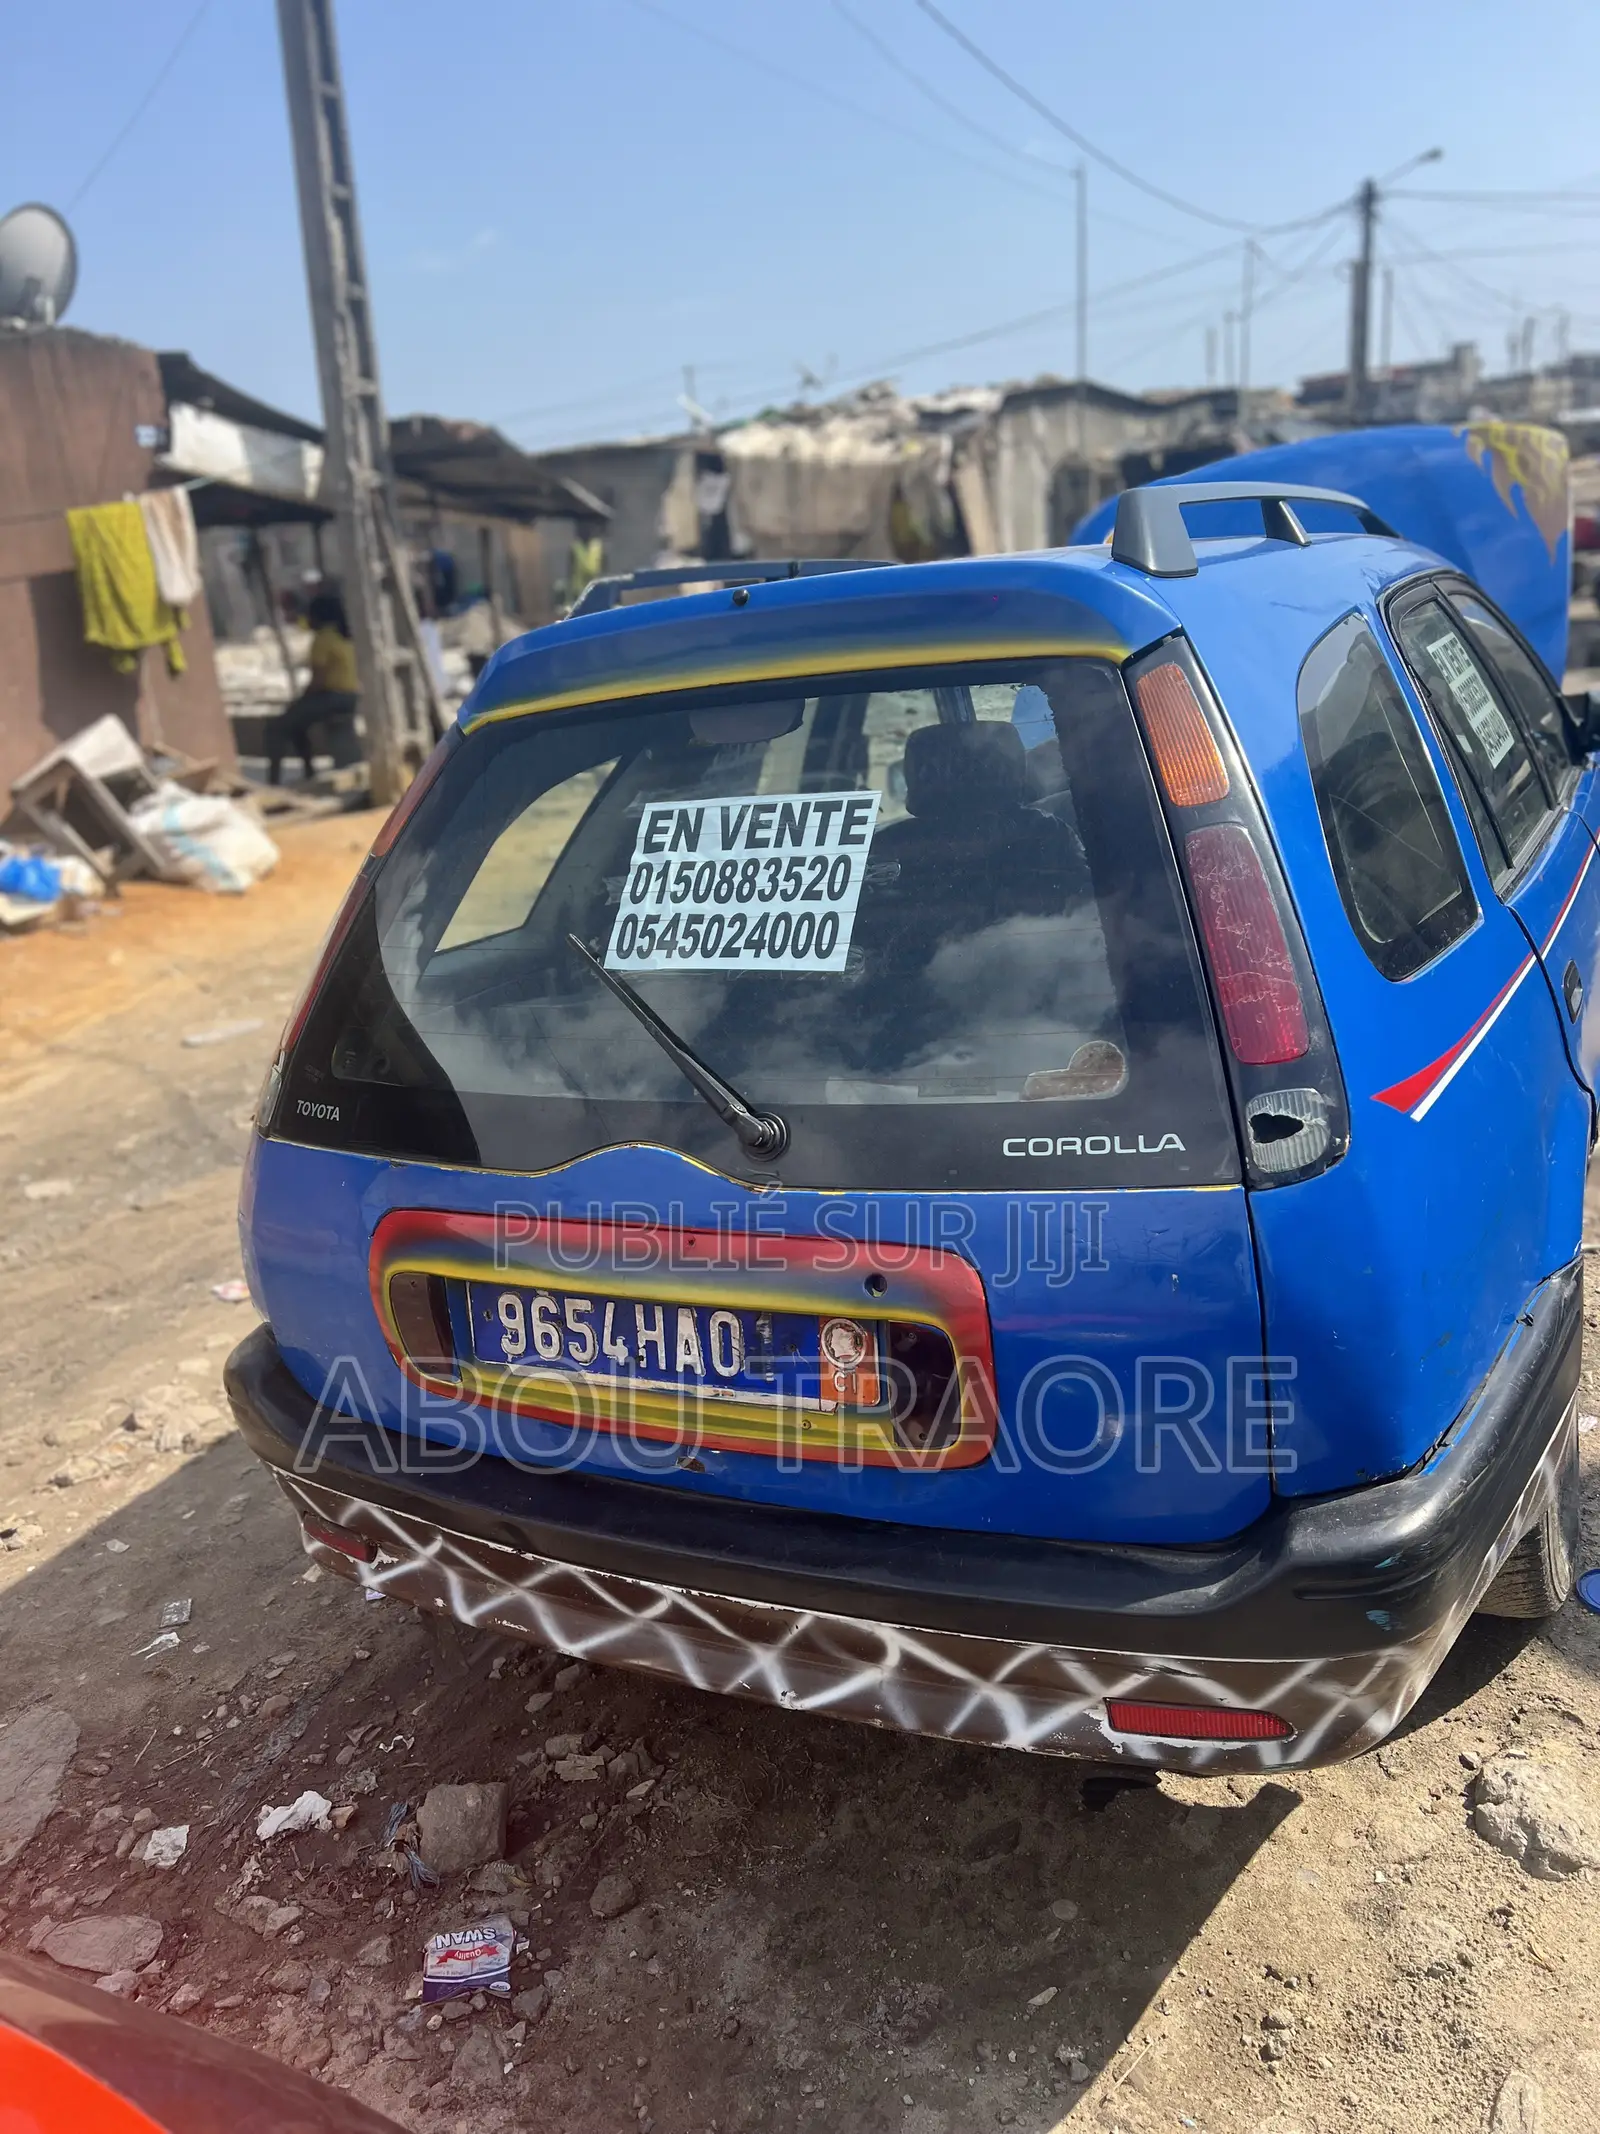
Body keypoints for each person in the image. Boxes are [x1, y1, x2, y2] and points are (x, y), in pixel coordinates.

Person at [266, 593, 360, 785]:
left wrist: (301, 700)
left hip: (332, 697)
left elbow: (318, 679)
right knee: (297, 724)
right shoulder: (344, 636)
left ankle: (273, 781)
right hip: (350, 696)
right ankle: (309, 772)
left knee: (276, 729)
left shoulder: (323, 639)